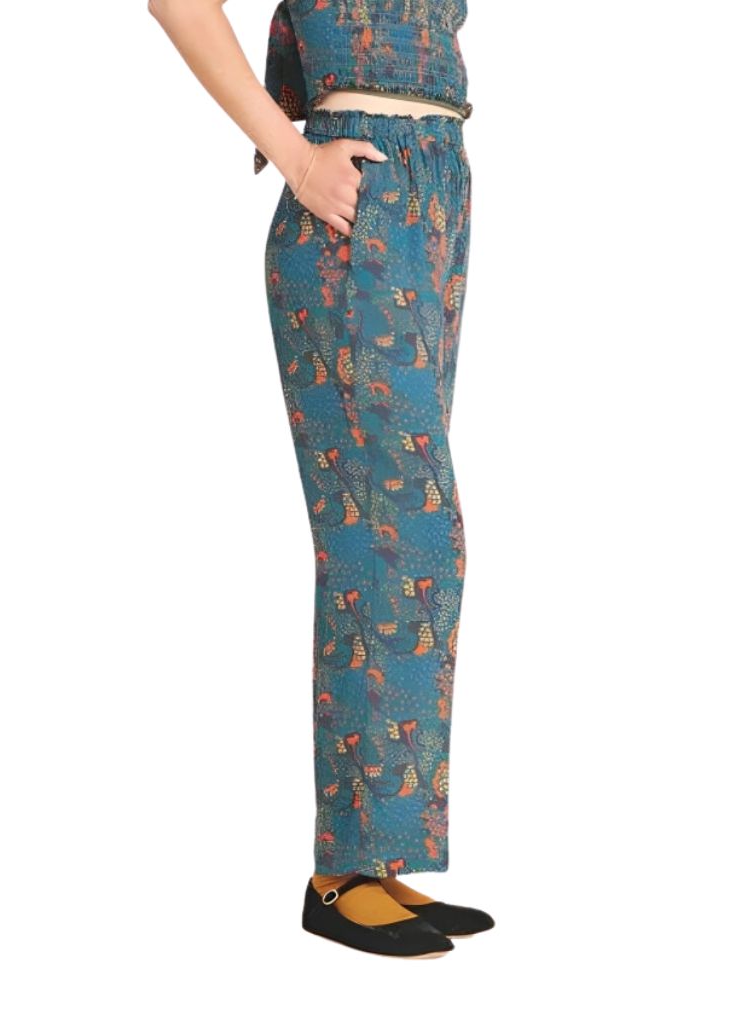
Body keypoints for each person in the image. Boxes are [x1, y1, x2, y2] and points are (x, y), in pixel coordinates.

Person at [148, 0, 494, 958]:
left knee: (390, 547)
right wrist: (297, 160)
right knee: (407, 541)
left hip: (436, 189)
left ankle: (371, 862)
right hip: (355, 201)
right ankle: (341, 873)